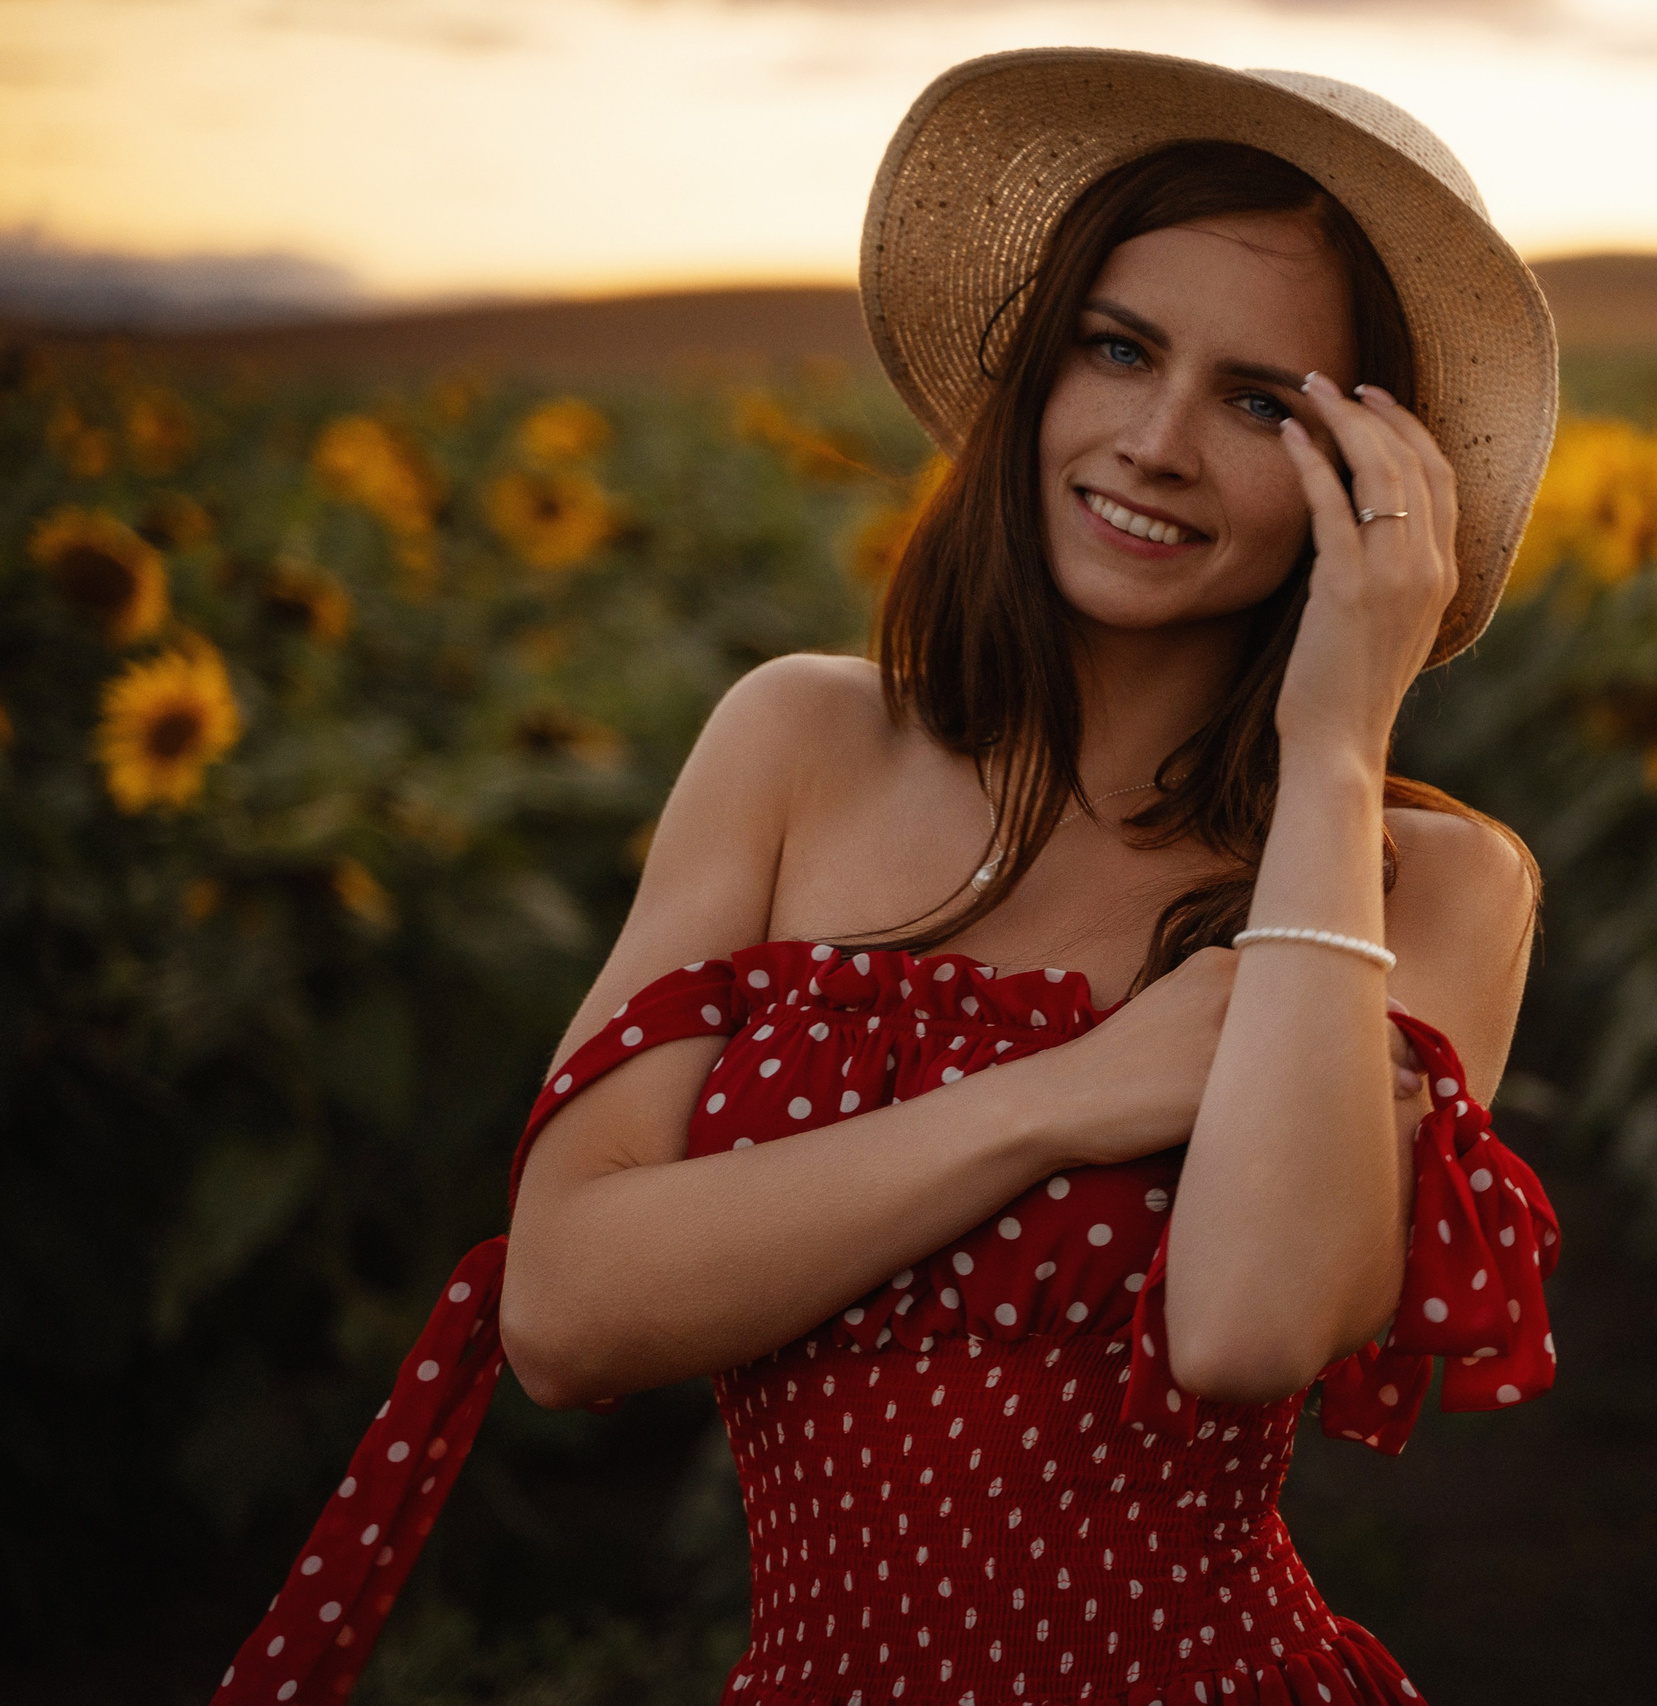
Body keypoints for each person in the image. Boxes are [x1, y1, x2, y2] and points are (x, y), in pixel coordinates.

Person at [213, 48, 1561, 1706]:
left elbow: (1248, 1326)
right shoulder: (797, 746)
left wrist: (1342, 734)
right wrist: (1060, 1098)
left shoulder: (1424, 880)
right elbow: (563, 1306)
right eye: (1118, 347)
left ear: (1366, 480)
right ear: (1034, 368)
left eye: (1263, 402)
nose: (1154, 441)